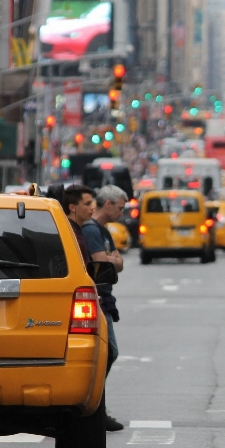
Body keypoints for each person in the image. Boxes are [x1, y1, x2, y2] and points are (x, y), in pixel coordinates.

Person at [81, 185, 127, 432]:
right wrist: (115, 261)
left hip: (104, 297)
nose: (122, 212)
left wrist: (115, 262)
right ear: (107, 204)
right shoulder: (92, 230)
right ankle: (95, 404)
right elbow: (103, 263)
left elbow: (116, 262)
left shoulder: (102, 230)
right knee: (107, 352)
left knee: (108, 353)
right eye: (120, 208)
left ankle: (97, 405)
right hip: (98, 299)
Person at [59, 184, 95, 265]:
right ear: (72, 207)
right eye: (87, 204)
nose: (92, 207)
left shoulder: (74, 229)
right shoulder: (69, 234)